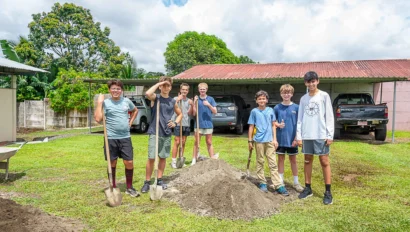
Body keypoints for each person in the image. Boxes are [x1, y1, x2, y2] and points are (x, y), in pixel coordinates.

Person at [94, 79, 140, 197]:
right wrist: (99, 103)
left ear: (121, 90)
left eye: (118, 88)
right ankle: (113, 186)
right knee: (112, 162)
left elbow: (135, 110)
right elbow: (98, 119)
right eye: (113, 88)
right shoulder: (105, 103)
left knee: (129, 162)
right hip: (110, 137)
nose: (116, 91)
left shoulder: (126, 101)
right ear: (109, 90)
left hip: (125, 137)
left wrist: (130, 122)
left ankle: (129, 187)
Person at [296, 71, 334, 205]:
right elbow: (300, 118)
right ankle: (308, 188)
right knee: (307, 160)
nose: (311, 84)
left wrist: (330, 135)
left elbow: (329, 116)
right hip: (307, 135)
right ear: (305, 83)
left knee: (324, 161)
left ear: (318, 81)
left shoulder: (324, 96)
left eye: (313, 81)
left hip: (321, 134)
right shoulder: (303, 99)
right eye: (308, 82)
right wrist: (299, 136)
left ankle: (328, 191)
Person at [141, 77, 182, 193]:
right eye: (163, 85)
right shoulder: (156, 98)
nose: (165, 87)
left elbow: (180, 114)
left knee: (163, 157)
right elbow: (148, 93)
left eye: (168, 85)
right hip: (155, 132)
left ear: (170, 87)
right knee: (151, 158)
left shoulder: (172, 101)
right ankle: (147, 182)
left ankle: (159, 179)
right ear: (160, 86)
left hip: (166, 133)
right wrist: (160, 82)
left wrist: (175, 122)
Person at [248, 90, 289, 196]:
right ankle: (262, 182)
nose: (262, 100)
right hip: (259, 141)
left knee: (273, 163)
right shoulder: (254, 112)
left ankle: (278, 185)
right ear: (256, 101)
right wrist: (250, 140)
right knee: (260, 161)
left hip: (270, 140)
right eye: (259, 99)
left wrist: (274, 139)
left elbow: (273, 125)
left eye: (263, 98)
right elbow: (251, 126)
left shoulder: (270, 110)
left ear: (266, 100)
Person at [273, 84, 304, 193]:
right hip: (280, 139)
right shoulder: (277, 108)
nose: (286, 94)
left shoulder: (296, 107)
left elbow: (299, 124)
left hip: (292, 139)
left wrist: (296, 138)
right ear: (281, 94)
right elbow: (273, 122)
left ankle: (296, 182)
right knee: (280, 159)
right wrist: (278, 125)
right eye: (284, 92)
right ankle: (280, 181)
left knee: (293, 160)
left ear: (292, 94)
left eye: (288, 92)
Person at [191, 82, 218, 165]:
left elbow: (215, 111)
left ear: (206, 90)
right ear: (199, 90)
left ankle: (212, 158)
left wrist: (208, 105)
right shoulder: (196, 99)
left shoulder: (210, 99)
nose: (202, 90)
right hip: (198, 124)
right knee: (196, 142)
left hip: (208, 124)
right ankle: (194, 160)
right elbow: (194, 113)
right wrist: (194, 103)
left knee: (209, 142)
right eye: (201, 89)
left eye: (204, 89)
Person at [171, 83, 194, 169]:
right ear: (180, 90)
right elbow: (171, 106)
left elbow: (190, 113)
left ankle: (181, 159)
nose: (184, 91)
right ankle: (173, 161)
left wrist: (192, 105)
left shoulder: (188, 101)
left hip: (186, 123)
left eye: (186, 90)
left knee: (183, 142)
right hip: (178, 122)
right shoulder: (175, 99)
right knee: (177, 141)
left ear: (188, 91)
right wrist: (178, 100)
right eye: (183, 89)